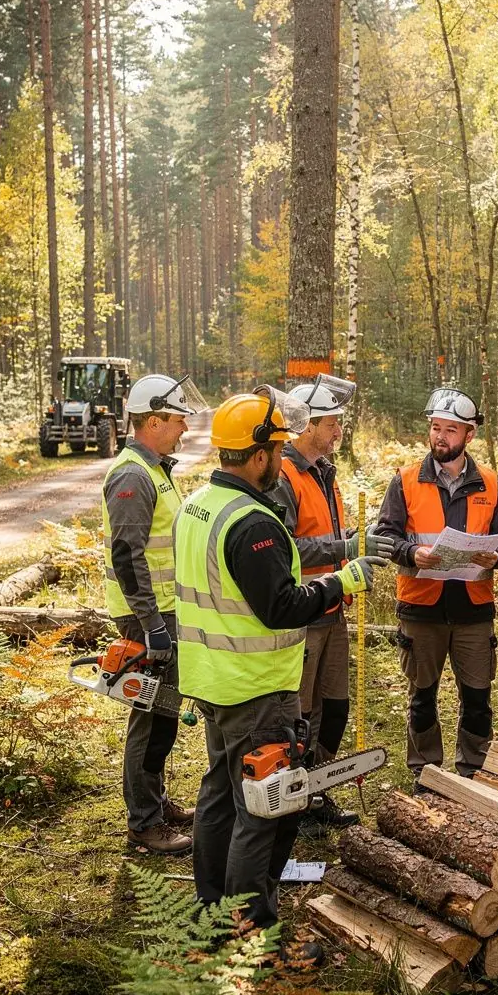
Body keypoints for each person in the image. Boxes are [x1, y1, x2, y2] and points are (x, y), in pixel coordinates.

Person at [173, 387, 386, 928]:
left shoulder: (198, 506)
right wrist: (342, 580)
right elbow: (282, 607)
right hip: (255, 685)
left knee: (220, 795)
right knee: (262, 810)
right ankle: (250, 926)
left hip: (212, 678)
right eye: (276, 448)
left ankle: (213, 905)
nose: (280, 461)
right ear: (260, 453)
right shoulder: (254, 523)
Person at [374, 387, 498, 783]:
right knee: (422, 697)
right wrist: (411, 554)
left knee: (477, 697)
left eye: (450, 430)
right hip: (421, 607)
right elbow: (385, 536)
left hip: (473, 608)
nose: (440, 436)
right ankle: (426, 771)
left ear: (469, 435)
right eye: (435, 428)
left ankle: (474, 770)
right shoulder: (404, 481)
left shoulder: (491, 483)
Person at [271, 373, 394, 833]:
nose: (339, 431)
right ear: (305, 426)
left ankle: (316, 788)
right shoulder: (284, 476)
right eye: (331, 423)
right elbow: (285, 551)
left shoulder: (323, 473)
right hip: (301, 612)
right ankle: (292, 800)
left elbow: (323, 535)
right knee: (298, 713)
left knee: (333, 707)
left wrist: (355, 544)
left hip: (332, 608)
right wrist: (344, 550)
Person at [102, 372, 207, 855]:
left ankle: (156, 801)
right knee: (149, 717)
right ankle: (143, 822)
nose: (185, 427)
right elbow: (128, 556)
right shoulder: (131, 475)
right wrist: (151, 625)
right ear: (154, 420)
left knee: (164, 713)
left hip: (162, 613)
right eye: (178, 419)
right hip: (145, 617)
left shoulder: (157, 469)